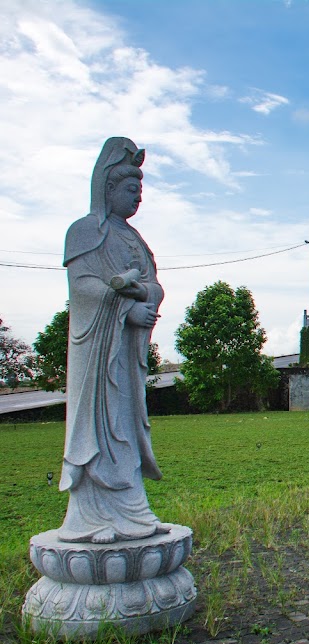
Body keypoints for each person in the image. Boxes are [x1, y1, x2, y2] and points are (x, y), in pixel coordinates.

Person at [58, 137, 169, 544]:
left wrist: (143, 300)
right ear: (107, 189)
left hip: (126, 348)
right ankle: (88, 516)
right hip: (99, 350)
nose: (137, 197)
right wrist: (123, 307)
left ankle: (133, 509)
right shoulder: (86, 231)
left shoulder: (134, 238)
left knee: (125, 424)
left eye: (140, 190)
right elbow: (83, 288)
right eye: (129, 189)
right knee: (100, 427)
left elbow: (154, 285)